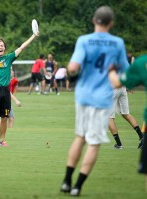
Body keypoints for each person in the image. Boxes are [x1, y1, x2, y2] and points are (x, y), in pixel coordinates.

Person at [60, 6, 128, 196]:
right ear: (111, 23)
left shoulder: (84, 40)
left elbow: (73, 67)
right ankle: (78, 186)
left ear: (93, 20)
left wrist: (73, 72)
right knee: (93, 143)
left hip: (82, 96)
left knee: (80, 137)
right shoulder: (117, 43)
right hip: (102, 98)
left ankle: (66, 181)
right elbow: (125, 72)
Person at [108, 55, 147, 191]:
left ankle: (119, 144)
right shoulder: (123, 57)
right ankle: (141, 137)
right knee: (125, 113)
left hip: (113, 88)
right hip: (123, 87)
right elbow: (130, 72)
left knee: (109, 117)